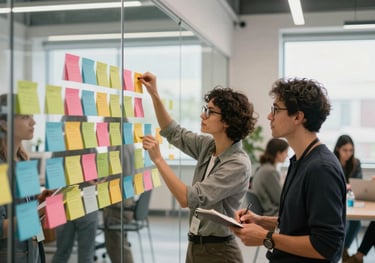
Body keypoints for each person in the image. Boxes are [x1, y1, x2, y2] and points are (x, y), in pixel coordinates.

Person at [140, 72, 257, 263]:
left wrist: (159, 160)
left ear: (227, 121)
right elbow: (173, 131)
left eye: (210, 111)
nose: (203, 115)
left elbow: (188, 199)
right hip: (196, 245)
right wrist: (154, 94)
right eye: (205, 109)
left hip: (219, 252)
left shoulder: (237, 163)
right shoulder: (208, 146)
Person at [231, 78, 346, 262]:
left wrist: (265, 237)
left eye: (276, 109)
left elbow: (327, 246)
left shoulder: (321, 169)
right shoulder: (300, 160)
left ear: (298, 117)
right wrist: (260, 221)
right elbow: (297, 225)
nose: (270, 116)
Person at [0, 94, 51, 262]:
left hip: (32, 251)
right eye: (25, 117)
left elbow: (24, 207)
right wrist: (35, 213)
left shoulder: (22, 160)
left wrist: (39, 200)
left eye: (32, 116)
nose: (33, 122)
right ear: (4, 124)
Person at [52, 116, 99, 263]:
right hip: (87, 203)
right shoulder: (90, 146)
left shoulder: (60, 146)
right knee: (86, 256)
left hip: (64, 204)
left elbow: (54, 179)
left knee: (61, 252)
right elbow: (98, 178)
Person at [333, 134, 363, 261]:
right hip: (335, 199)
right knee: (345, 222)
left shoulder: (355, 163)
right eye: (345, 150)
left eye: (351, 150)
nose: (348, 153)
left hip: (351, 199)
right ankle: (340, 251)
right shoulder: (331, 161)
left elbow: (359, 183)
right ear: (338, 149)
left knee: (357, 223)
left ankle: (343, 249)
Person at [250, 138, 289, 216]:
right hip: (272, 214)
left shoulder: (263, 168)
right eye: (286, 152)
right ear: (278, 153)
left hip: (264, 212)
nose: (287, 155)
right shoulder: (270, 172)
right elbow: (281, 200)